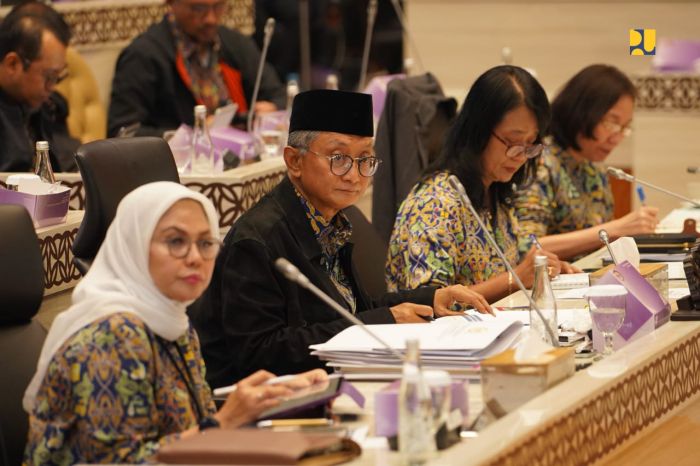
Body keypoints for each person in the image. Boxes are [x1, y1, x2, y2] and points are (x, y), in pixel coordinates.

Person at [190, 89, 491, 389]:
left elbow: (350, 309)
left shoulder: (330, 220)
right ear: (294, 161)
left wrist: (430, 299)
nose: (354, 176)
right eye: (339, 159)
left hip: (327, 382)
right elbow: (260, 354)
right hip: (267, 400)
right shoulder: (257, 241)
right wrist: (383, 320)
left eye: (364, 159)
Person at [23, 182, 326, 464]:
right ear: (135, 247)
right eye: (176, 241)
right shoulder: (111, 336)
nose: (195, 257)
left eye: (206, 243)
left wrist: (274, 398)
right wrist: (226, 420)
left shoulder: (175, 322)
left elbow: (193, 430)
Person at [386, 65, 571, 303]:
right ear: (478, 131)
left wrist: (545, 269)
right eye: (512, 142)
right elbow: (429, 304)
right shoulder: (435, 204)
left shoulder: (495, 191)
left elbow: (518, 260)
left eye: (530, 144)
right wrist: (514, 279)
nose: (521, 156)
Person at [513, 64, 659, 260]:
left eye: (624, 127)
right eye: (611, 123)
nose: (616, 138)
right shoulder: (540, 163)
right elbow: (527, 247)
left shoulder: (593, 167)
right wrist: (614, 229)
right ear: (581, 111)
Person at [107, 0, 286, 137]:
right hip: (177, 170)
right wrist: (192, 135)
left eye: (218, 6)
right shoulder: (143, 56)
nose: (211, 19)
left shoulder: (234, 43)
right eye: (198, 8)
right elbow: (122, 132)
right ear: (171, 3)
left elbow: (278, 94)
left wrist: (271, 109)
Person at [0, 1, 76, 172]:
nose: (52, 87)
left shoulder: (48, 106)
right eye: (49, 76)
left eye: (58, 76)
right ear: (13, 64)